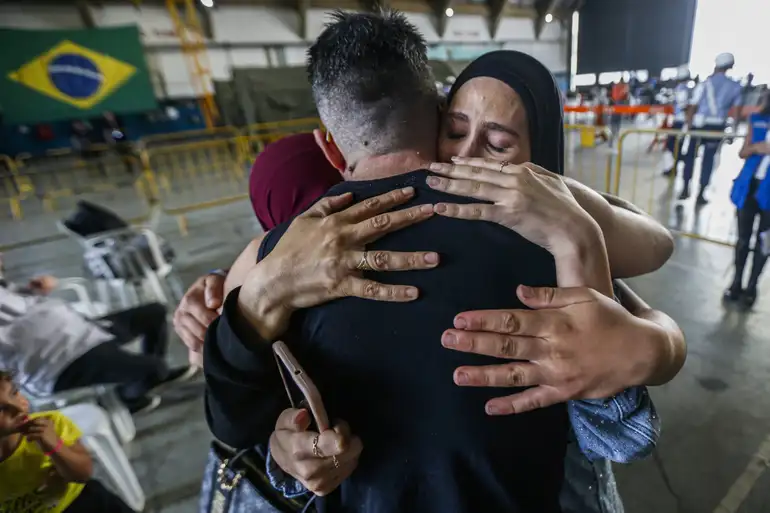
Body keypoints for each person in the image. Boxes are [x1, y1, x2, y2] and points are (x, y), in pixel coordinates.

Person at [203, 12, 682, 513]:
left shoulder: (279, 259)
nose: (471, 158)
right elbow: (625, 433)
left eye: (498, 144)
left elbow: (238, 426)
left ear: (328, 142)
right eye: (459, 131)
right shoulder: (545, 235)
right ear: (437, 109)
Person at [0, 256, 196, 414]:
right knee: (156, 367)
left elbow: (20, 305)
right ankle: (129, 397)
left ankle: (143, 378)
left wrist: (34, 290)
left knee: (154, 313)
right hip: (59, 360)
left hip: (85, 330)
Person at [0, 370, 135, 512]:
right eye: (1, 409)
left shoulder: (51, 423)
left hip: (83, 500)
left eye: (14, 392)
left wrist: (55, 447)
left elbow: (84, 473)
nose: (18, 408)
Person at [724, 90, 770, 307]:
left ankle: (752, 287)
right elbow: (742, 152)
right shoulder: (757, 120)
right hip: (750, 186)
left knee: (765, 242)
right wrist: (757, 148)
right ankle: (736, 282)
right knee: (743, 239)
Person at [680, 52, 743, 204]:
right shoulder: (734, 87)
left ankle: (685, 189)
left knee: (690, 158)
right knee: (708, 160)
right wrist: (733, 130)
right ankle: (701, 193)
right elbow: (736, 111)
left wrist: (687, 127)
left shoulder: (704, 84)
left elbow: (693, 107)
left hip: (698, 126)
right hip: (716, 128)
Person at [662, 66, 691, 176]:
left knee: (672, 145)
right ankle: (676, 166)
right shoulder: (684, 89)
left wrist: (686, 124)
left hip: (680, 122)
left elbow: (683, 107)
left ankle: (680, 163)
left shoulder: (682, 89)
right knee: (675, 146)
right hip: (680, 121)